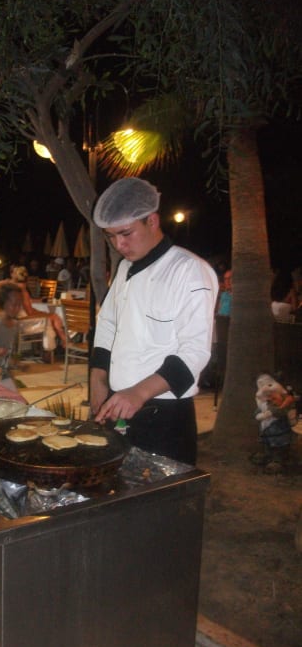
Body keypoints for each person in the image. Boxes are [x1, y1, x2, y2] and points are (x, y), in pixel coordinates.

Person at [90, 177, 218, 465]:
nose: (119, 244)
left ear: (152, 221)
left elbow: (195, 352)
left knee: (161, 492)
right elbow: (108, 324)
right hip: (119, 404)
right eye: (111, 236)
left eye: (126, 233)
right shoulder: (125, 268)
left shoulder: (189, 270)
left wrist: (138, 392)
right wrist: (98, 380)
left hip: (165, 415)